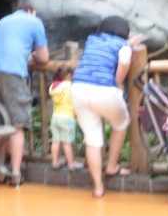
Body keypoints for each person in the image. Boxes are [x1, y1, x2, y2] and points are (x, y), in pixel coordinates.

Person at [72, 16, 143, 198]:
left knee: (92, 139)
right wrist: (118, 82)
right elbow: (125, 61)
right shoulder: (122, 45)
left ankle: (98, 187)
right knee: (120, 124)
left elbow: (111, 45)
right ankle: (111, 166)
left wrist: (128, 43)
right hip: (105, 90)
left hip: (78, 88)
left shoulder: (92, 39)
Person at [0, 1, 49, 186]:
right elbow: (44, 58)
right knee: (17, 124)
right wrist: (32, 56)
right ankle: (15, 175)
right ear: (30, 11)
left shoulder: (2, 21)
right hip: (12, 72)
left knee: (0, 122)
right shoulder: (33, 21)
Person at [49, 65, 83, 170]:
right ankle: (71, 163)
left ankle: (55, 162)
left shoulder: (53, 87)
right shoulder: (69, 86)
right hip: (67, 117)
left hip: (55, 117)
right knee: (67, 142)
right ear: (69, 76)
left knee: (56, 141)